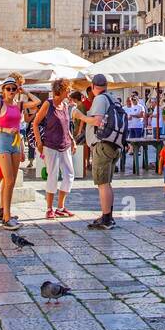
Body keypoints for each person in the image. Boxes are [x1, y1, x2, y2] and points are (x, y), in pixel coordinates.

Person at [71, 73, 120, 230]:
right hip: (113, 143)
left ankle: (106, 219)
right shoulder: (112, 98)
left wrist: (80, 116)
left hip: (102, 144)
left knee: (102, 183)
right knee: (107, 182)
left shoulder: (99, 99)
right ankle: (108, 216)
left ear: (92, 87)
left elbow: (97, 121)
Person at [32, 78, 77, 220]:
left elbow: (66, 126)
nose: (69, 91)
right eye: (68, 89)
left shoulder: (65, 106)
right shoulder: (48, 104)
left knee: (69, 174)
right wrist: (39, 143)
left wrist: (73, 140)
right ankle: (49, 208)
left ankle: (61, 207)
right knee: (52, 175)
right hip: (50, 145)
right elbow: (35, 123)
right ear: (61, 90)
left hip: (65, 145)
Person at [0, 78, 26, 230]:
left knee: (11, 181)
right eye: (8, 88)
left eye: (14, 88)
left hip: (15, 143)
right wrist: (5, 130)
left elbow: (36, 103)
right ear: (3, 90)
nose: (11, 91)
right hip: (2, 142)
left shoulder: (17, 105)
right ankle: (3, 216)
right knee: (4, 179)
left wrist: (24, 90)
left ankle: (5, 213)